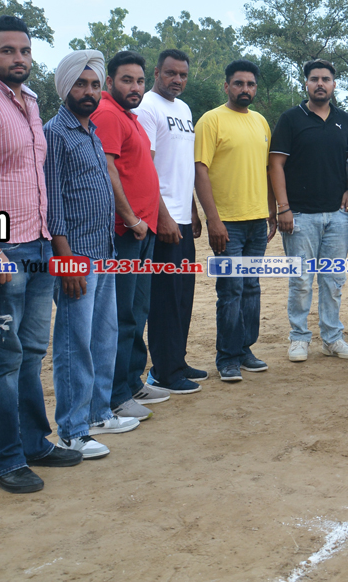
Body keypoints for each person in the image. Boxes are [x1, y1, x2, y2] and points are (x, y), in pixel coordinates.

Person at [0, 15, 79, 494]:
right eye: (8, 51)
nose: (19, 59)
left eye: (25, 51)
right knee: (1, 358)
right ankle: (4, 460)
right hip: (2, 249)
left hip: (39, 244)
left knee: (31, 352)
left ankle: (34, 443)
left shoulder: (31, 101)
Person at [44, 50, 139, 461]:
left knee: (104, 337)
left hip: (105, 249)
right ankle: (72, 431)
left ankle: (99, 414)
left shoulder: (92, 132)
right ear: (65, 87)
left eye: (95, 85)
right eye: (81, 84)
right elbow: (53, 202)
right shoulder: (55, 133)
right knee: (74, 345)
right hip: (76, 256)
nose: (89, 92)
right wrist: (65, 258)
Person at [91, 51, 167, 415]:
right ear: (109, 82)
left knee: (137, 310)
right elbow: (107, 169)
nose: (135, 87)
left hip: (142, 230)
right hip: (125, 231)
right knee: (121, 314)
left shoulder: (129, 116)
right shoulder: (107, 113)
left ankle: (132, 382)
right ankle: (116, 396)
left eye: (139, 81)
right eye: (126, 80)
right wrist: (131, 218)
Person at [269, 59, 348, 362]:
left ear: (334, 84)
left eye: (326, 79)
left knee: (333, 281)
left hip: (336, 215)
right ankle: (299, 338)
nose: (320, 83)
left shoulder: (343, 119)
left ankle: (332, 338)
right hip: (300, 215)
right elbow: (276, 165)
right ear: (305, 83)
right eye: (314, 78)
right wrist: (283, 208)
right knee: (301, 281)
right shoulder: (291, 119)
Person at [195, 59, 278, 381]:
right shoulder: (211, 120)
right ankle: (227, 357)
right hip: (227, 223)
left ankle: (245, 350)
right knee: (230, 289)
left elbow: (267, 170)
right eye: (239, 83)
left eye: (251, 84)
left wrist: (271, 210)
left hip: (257, 221)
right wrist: (213, 220)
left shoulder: (260, 122)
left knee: (251, 287)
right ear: (226, 85)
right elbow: (200, 170)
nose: (245, 89)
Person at [136, 49, 208, 393]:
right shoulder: (146, 107)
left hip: (181, 216)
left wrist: (191, 208)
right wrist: (163, 216)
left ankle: (177, 360)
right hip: (161, 219)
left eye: (183, 75)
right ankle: (165, 372)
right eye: (170, 73)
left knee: (182, 295)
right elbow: (146, 168)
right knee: (164, 299)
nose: (177, 80)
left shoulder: (184, 109)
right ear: (156, 72)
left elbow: (181, 164)